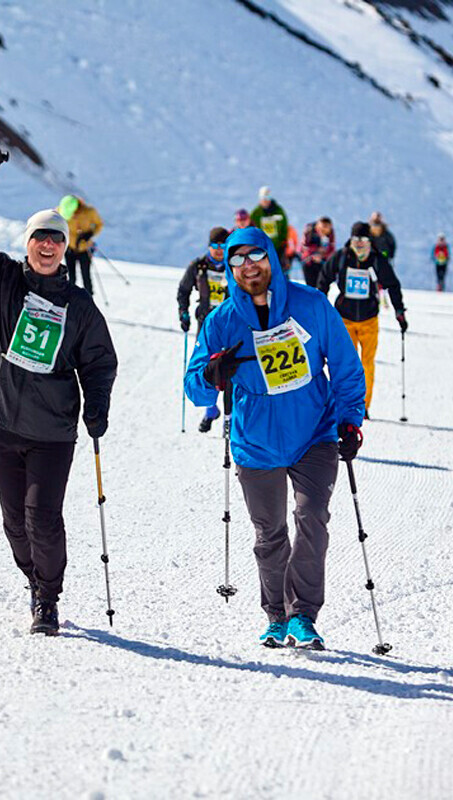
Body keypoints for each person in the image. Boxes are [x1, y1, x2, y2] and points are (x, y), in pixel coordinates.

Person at [0, 148, 118, 636]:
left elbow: (99, 361)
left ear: (65, 248)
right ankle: (33, 578)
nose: (47, 245)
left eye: (56, 239)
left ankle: (47, 595)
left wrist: (97, 406)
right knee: (15, 523)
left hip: (51, 433)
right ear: (27, 244)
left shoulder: (80, 306)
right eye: (40, 238)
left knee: (42, 518)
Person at [184, 227, 368, 651]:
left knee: (312, 516)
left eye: (256, 256)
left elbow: (344, 366)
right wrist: (212, 374)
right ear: (230, 269)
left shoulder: (312, 305)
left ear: (271, 257)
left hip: (314, 433)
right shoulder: (222, 321)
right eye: (238, 260)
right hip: (256, 441)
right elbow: (194, 388)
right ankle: (276, 617)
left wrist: (349, 420)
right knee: (270, 533)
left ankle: (303, 615)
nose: (249, 266)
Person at [318, 222, 407, 416]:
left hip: (368, 320)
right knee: (345, 363)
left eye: (364, 240)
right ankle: (342, 403)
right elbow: (324, 277)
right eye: (356, 240)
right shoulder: (342, 257)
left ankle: (363, 406)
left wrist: (399, 310)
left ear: (370, 241)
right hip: (344, 319)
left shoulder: (376, 260)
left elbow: (392, 284)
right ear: (351, 240)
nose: (359, 244)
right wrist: (319, 304)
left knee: (367, 363)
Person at [177, 227, 231, 432]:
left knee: (229, 367)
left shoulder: (233, 266)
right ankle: (210, 410)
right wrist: (183, 311)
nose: (218, 250)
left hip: (229, 323)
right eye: (215, 246)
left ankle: (230, 415)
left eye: (222, 246)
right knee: (205, 367)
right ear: (209, 246)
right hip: (206, 323)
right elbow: (183, 290)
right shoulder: (198, 266)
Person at [58, 194, 103, 301]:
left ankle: (89, 300)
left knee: (86, 275)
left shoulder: (89, 212)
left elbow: (99, 224)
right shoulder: (60, 210)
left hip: (84, 249)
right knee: (71, 277)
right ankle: (70, 300)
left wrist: (90, 234)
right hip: (69, 248)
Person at [250, 187, 291, 275]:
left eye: (267, 198)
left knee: (280, 271)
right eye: (263, 199)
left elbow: (284, 227)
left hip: (278, 247)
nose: (265, 201)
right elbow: (252, 228)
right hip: (262, 247)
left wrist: (283, 242)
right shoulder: (256, 213)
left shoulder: (279, 211)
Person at [299, 217, 335, 292]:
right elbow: (304, 246)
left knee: (323, 286)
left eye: (327, 229)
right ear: (318, 226)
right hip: (308, 262)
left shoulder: (331, 233)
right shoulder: (309, 230)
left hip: (322, 262)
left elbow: (332, 248)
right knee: (311, 287)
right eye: (322, 228)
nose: (324, 231)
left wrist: (323, 256)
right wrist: (315, 252)